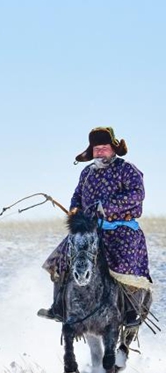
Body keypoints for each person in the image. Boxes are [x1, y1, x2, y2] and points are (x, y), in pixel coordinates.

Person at [39, 127, 152, 326]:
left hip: (121, 231)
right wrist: (75, 210)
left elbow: (138, 194)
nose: (100, 152)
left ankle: (131, 312)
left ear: (113, 148)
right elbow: (77, 196)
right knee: (60, 259)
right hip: (89, 230)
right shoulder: (86, 173)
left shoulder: (127, 169)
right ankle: (59, 307)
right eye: (96, 149)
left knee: (123, 266)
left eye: (104, 148)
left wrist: (106, 206)